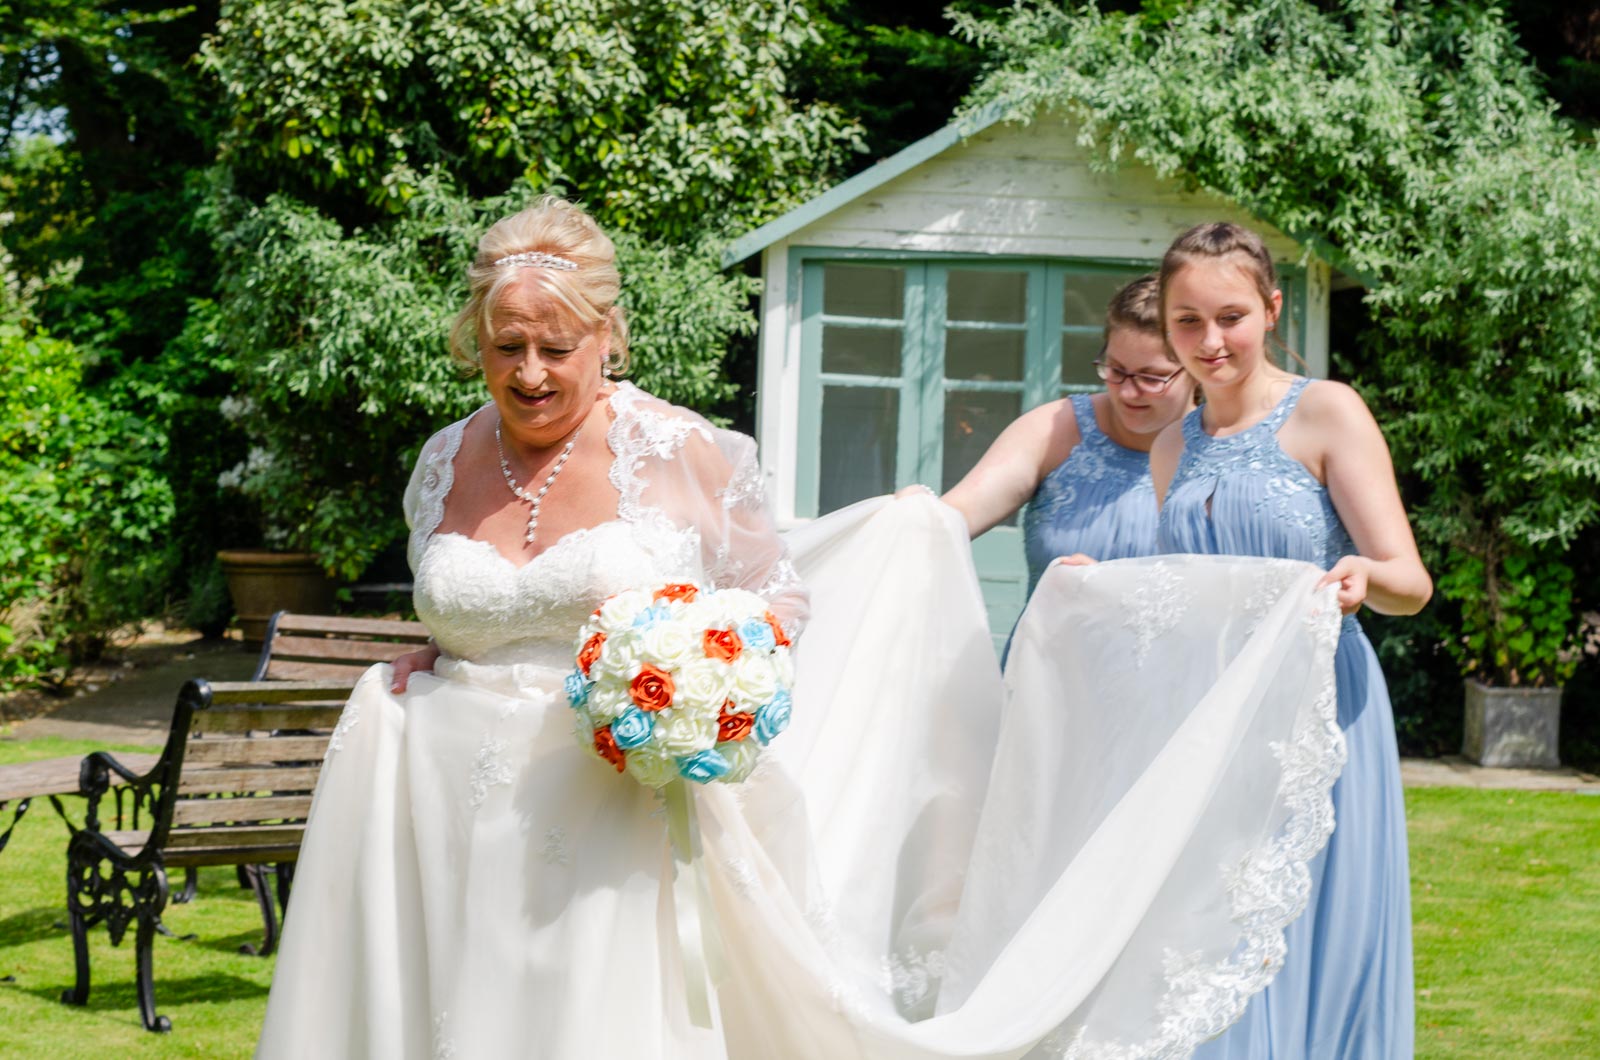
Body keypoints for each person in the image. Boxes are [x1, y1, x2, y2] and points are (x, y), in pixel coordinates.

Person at [257, 198, 1353, 1059]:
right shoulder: (443, 458)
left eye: (556, 344)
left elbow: (772, 601)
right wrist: (433, 650)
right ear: (477, 343)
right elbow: (465, 600)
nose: (530, 372)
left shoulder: (684, 450)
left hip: (610, 792)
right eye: (507, 347)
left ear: (607, 336)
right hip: (436, 796)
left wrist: (697, 685)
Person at [1150, 221, 1432, 1059]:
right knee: (1211, 933)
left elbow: (1409, 582)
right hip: (1214, 716)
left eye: (1230, 317)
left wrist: (1360, 579)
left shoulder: (1326, 410)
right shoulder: (1172, 444)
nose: (1210, 341)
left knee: (1303, 920)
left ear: (1271, 309)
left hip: (1318, 710)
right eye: (1186, 322)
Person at [933, 274, 1195, 589]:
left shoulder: (1223, 448)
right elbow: (959, 513)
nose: (1127, 392)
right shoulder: (1053, 428)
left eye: (1151, 377)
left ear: (1197, 367)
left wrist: (1117, 588)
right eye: (1115, 370)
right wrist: (919, 514)